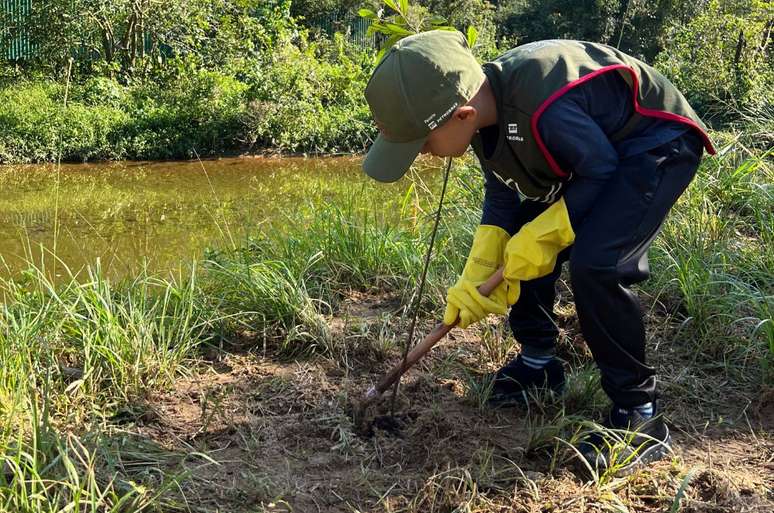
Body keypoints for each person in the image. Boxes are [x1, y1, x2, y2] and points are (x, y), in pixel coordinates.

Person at [361, 30, 714, 473]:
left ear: (462, 115)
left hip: (653, 145)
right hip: (592, 156)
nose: (426, 156)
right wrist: (483, 267)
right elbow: (505, 193)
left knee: (597, 264)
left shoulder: (543, 108)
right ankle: (538, 365)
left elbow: (601, 168)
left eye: (423, 144)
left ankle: (640, 415)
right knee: (520, 242)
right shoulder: (485, 117)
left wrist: (543, 237)